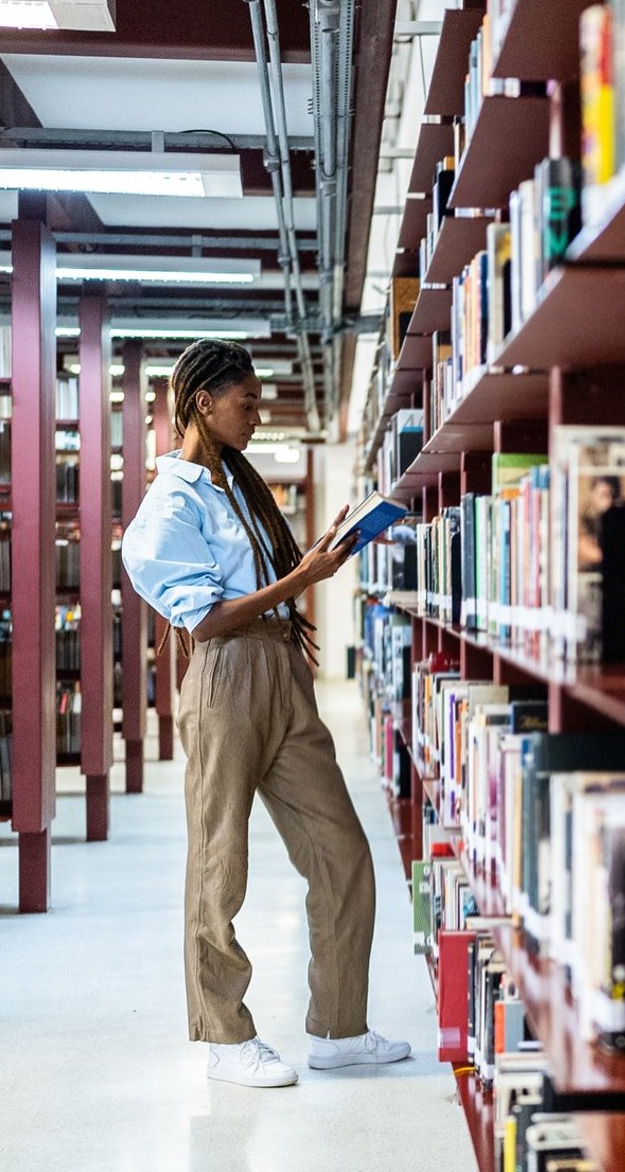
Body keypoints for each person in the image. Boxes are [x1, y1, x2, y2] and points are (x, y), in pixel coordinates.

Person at [120, 337, 409, 1088]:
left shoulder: (240, 487)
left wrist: (315, 560)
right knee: (221, 860)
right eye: (245, 403)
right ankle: (223, 1038)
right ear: (202, 403)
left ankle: (340, 1028)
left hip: (283, 669)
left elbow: (259, 583)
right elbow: (206, 619)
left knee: (342, 850)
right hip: (228, 679)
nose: (257, 416)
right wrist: (301, 581)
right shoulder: (166, 509)